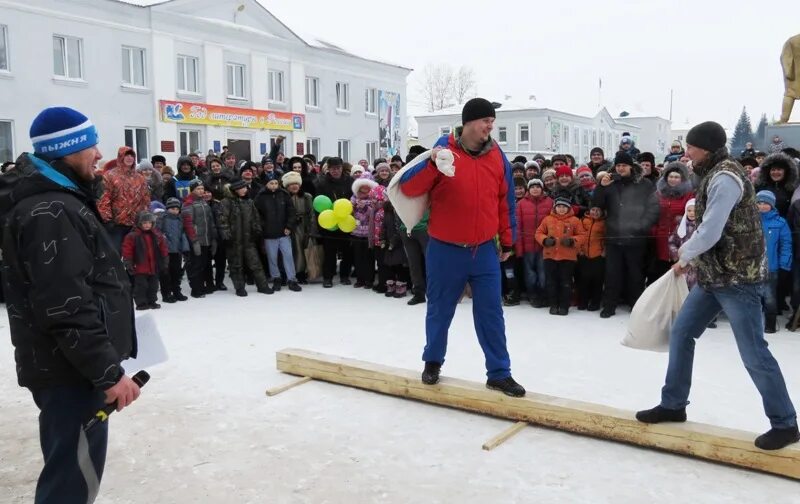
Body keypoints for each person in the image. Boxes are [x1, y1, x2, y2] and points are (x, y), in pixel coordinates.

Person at [0, 106, 140, 503]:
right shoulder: (52, 210)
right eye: (90, 145)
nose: (99, 154)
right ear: (67, 150)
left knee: (73, 471)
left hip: (70, 365)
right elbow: (65, 306)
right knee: (71, 481)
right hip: (70, 371)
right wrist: (108, 373)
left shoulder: (59, 200)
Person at [636, 121, 799, 451]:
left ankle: (785, 423)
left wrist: (684, 254)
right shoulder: (710, 171)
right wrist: (694, 260)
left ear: (707, 147)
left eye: (692, 146)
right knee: (682, 333)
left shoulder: (725, 176)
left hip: (738, 278)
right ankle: (674, 404)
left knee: (753, 351)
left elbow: (710, 229)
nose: (687, 151)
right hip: (715, 275)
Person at [397, 97, 525, 397]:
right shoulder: (442, 151)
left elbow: (504, 201)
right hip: (445, 248)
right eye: (485, 121)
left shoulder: (497, 156)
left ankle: (499, 373)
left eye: (492, 121)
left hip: (483, 251)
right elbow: (409, 188)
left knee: (491, 313)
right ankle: (432, 361)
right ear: (468, 123)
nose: (490, 126)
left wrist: (508, 239)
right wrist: (432, 164)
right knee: (440, 310)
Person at [593, 152, 659, 318]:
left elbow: (653, 208)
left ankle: (636, 305)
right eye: (618, 165)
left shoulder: (644, 184)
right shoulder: (611, 183)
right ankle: (609, 305)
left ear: (631, 166)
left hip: (636, 236)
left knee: (635, 273)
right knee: (612, 273)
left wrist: (642, 225)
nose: (620, 168)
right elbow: (597, 205)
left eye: (624, 165)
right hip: (614, 236)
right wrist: (601, 186)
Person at [218, 178, 273, 296]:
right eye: (241, 188)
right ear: (235, 190)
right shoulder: (226, 202)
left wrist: (257, 231)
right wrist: (227, 236)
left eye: (245, 187)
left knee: (256, 263)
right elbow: (223, 221)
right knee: (236, 265)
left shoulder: (249, 202)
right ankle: (239, 287)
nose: (244, 190)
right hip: (234, 240)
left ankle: (263, 286)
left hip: (249, 239)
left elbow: (256, 218)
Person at [535, 197, 586, 315]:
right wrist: (545, 240)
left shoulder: (575, 220)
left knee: (565, 282)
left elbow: (582, 235)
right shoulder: (548, 219)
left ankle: (564, 306)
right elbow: (538, 233)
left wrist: (572, 241)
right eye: (559, 206)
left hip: (567, 257)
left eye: (564, 207)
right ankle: (553, 304)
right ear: (555, 207)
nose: (561, 209)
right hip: (550, 256)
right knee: (551, 282)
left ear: (568, 208)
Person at [97, 146, 151, 251]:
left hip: (136, 225)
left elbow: (146, 200)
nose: (129, 158)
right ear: (120, 157)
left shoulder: (140, 178)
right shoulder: (110, 175)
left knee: (136, 256)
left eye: (132, 155)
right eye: (127, 155)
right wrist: (107, 220)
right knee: (115, 255)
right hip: (117, 225)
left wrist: (145, 218)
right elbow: (104, 199)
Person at [255, 178, 302, 292]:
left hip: (284, 232)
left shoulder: (284, 194)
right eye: (271, 183)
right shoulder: (260, 197)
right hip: (269, 234)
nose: (274, 185)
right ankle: (276, 278)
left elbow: (291, 212)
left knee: (288, 256)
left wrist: (289, 226)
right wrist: (264, 227)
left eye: (276, 183)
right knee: (272, 257)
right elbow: (257, 215)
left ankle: (292, 279)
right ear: (266, 184)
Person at [314, 156, 354, 287]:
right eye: (332, 168)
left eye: (338, 168)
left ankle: (344, 275)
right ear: (328, 169)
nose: (335, 171)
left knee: (347, 252)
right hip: (329, 223)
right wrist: (321, 226)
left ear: (342, 168)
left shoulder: (350, 181)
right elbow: (318, 204)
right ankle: (328, 277)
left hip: (345, 221)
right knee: (329, 253)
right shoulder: (322, 182)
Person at [757, 190, 793, 333]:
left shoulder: (780, 223)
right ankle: (750, 323)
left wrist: (784, 264)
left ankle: (770, 323)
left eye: (766, 203)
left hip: (770, 267)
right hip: (751, 267)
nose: (762, 206)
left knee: (769, 297)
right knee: (751, 297)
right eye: (759, 203)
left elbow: (786, 245)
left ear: (772, 205)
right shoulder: (750, 221)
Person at [651, 161, 694, 280]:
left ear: (682, 179)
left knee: (678, 273)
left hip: (679, 239)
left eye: (676, 177)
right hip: (660, 237)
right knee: (661, 272)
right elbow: (651, 214)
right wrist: (654, 230)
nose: (673, 179)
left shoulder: (688, 195)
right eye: (670, 176)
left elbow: (691, 215)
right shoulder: (658, 194)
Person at [515, 178, 553, 307]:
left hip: (544, 245)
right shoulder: (521, 204)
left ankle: (544, 294)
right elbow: (518, 227)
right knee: (530, 273)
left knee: (543, 272)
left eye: (538, 186)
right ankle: (533, 295)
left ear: (542, 189)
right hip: (527, 246)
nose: (535, 189)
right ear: (528, 189)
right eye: (532, 187)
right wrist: (519, 248)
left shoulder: (549, 202)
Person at [121, 211, 169, 310]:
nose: (147, 225)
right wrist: (128, 263)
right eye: (144, 223)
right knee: (141, 286)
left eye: (149, 223)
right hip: (140, 267)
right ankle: (141, 303)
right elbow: (127, 250)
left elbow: (163, 248)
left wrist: (165, 260)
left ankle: (152, 301)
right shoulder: (132, 236)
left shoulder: (156, 235)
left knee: (153, 286)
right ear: (139, 223)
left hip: (154, 266)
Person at [182, 180, 217, 298]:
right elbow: (188, 223)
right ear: (192, 190)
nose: (201, 191)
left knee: (205, 263)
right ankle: (196, 289)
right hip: (196, 240)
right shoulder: (188, 203)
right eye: (198, 189)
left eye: (202, 189)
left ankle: (207, 285)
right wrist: (194, 240)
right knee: (196, 265)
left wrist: (213, 237)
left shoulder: (204, 202)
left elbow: (210, 221)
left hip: (207, 239)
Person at [156, 198, 189, 303]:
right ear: (167, 209)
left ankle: (176, 291)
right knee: (165, 273)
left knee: (176, 272)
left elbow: (182, 233)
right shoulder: (162, 218)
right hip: (165, 251)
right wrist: (164, 241)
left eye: (177, 209)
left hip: (177, 250)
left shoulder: (180, 219)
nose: (175, 211)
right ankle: (166, 294)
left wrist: (184, 247)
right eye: (172, 209)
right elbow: (158, 232)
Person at [350, 176, 380, 288]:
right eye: (362, 185)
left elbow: (375, 214)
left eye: (367, 185)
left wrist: (366, 208)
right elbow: (348, 214)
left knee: (369, 258)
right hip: (356, 232)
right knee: (358, 257)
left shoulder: (374, 199)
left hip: (369, 233)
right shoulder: (353, 198)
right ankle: (359, 279)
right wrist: (353, 207)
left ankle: (369, 280)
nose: (365, 188)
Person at [755, 152, 797, 217]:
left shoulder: (791, 189)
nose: (775, 172)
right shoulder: (760, 187)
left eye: (779, 169)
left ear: (786, 171)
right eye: (773, 170)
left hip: (783, 224)